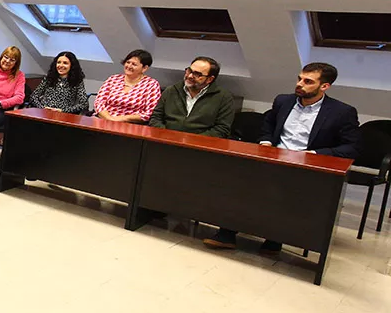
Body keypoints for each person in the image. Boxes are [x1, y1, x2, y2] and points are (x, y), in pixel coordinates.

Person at [203, 62, 360, 252]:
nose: (300, 84)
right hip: (274, 158)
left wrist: (314, 154)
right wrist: (266, 143)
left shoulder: (342, 112)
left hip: (308, 166)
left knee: (285, 191)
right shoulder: (283, 101)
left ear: (324, 86)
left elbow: (350, 147)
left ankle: (275, 238)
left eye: (308, 81)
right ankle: (227, 233)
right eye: (299, 78)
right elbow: (267, 126)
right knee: (239, 180)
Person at [148, 56, 236, 137]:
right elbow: (156, 118)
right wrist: (167, 135)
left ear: (210, 79)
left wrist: (193, 140)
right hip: (166, 141)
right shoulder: (171, 91)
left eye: (197, 74)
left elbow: (222, 129)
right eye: (189, 71)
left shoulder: (224, 98)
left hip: (200, 147)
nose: (190, 76)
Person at [94, 49, 162, 123]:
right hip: (104, 119)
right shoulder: (113, 79)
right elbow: (99, 103)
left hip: (131, 125)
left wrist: (121, 119)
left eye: (134, 64)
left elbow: (149, 113)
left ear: (144, 68)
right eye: (128, 62)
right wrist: (109, 118)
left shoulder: (151, 84)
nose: (129, 66)